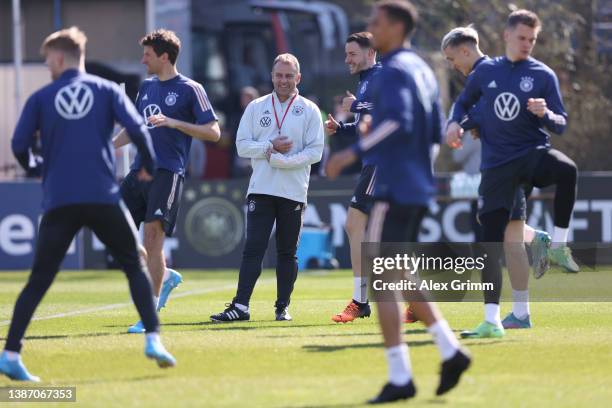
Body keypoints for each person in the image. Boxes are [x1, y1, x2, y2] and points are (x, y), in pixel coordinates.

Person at [0, 27, 175, 382]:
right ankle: (154, 340)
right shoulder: (108, 91)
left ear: (60, 58)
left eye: (48, 59)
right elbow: (139, 130)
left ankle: (11, 353)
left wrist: (36, 166)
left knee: (39, 279)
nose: (48, 66)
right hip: (101, 197)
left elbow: (19, 144)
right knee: (132, 265)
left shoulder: (43, 97)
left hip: (60, 199)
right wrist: (146, 166)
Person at [326, 2, 470, 403]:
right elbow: (429, 127)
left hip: (396, 183)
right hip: (416, 182)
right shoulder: (421, 68)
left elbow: (398, 122)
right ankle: (449, 351)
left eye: (376, 22)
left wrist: (349, 153)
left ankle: (401, 376)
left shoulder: (393, 70)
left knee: (382, 275)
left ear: (395, 26)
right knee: (396, 272)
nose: (370, 28)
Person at [446, 10, 579, 339]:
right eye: (522, 38)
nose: (527, 45)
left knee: (563, 174)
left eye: (532, 40)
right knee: (505, 239)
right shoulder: (486, 73)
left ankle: (552, 250)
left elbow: (560, 121)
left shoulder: (540, 74)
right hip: (498, 167)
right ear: (506, 36)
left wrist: (544, 112)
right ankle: (505, 315)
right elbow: (466, 106)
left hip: (526, 157)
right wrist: (458, 124)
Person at [113, 29, 221, 333]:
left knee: (152, 238)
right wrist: (108, 146)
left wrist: (173, 122)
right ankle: (165, 272)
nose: (142, 59)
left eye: (147, 54)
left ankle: (150, 314)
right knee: (113, 232)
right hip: (138, 173)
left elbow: (213, 132)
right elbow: (133, 128)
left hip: (168, 172)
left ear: (164, 56)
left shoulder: (191, 89)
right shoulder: (146, 87)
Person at [210, 53, 324, 322]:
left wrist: (284, 161)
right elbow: (241, 146)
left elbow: (316, 152)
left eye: (288, 76)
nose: (283, 81)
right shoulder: (256, 106)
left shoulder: (309, 109)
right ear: (272, 77)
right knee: (254, 249)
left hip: (293, 190)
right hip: (261, 188)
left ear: (298, 78)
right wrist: (269, 147)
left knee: (287, 253)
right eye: (279, 75)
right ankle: (241, 306)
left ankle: (282, 306)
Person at [324, 32, 382, 323]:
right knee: (380, 233)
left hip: (382, 162)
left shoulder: (381, 75)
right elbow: (366, 126)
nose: (347, 59)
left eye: (352, 54)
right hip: (374, 162)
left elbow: (391, 111)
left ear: (370, 52)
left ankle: (361, 301)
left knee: (355, 224)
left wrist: (356, 107)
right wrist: (341, 128)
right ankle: (367, 300)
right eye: (346, 54)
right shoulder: (365, 81)